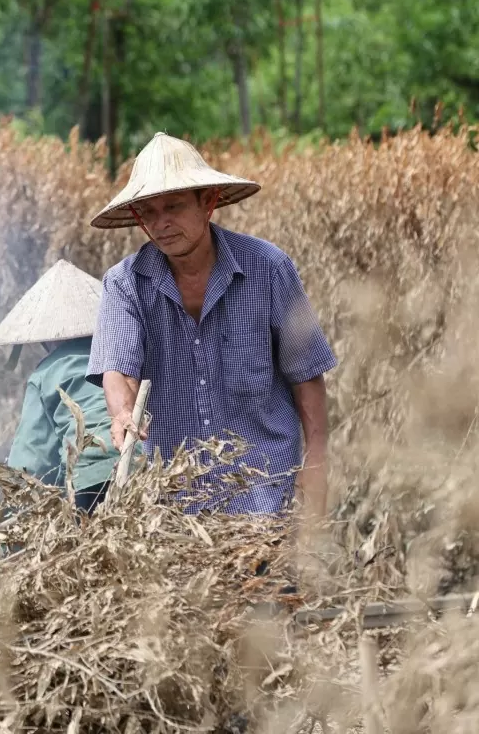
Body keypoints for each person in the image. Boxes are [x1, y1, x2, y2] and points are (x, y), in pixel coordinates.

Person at [85, 132, 338, 526]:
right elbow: (118, 368)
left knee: (272, 587)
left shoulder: (268, 268)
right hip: (174, 506)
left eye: (173, 206)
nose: (161, 223)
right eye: (148, 212)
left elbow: (307, 376)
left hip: (267, 493)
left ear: (209, 201)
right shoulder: (124, 285)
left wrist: (317, 463)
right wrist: (122, 414)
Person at [0, 259, 121, 513]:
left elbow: (31, 468)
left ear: (47, 340)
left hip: (91, 475)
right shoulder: (125, 354)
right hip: (151, 462)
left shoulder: (46, 373)